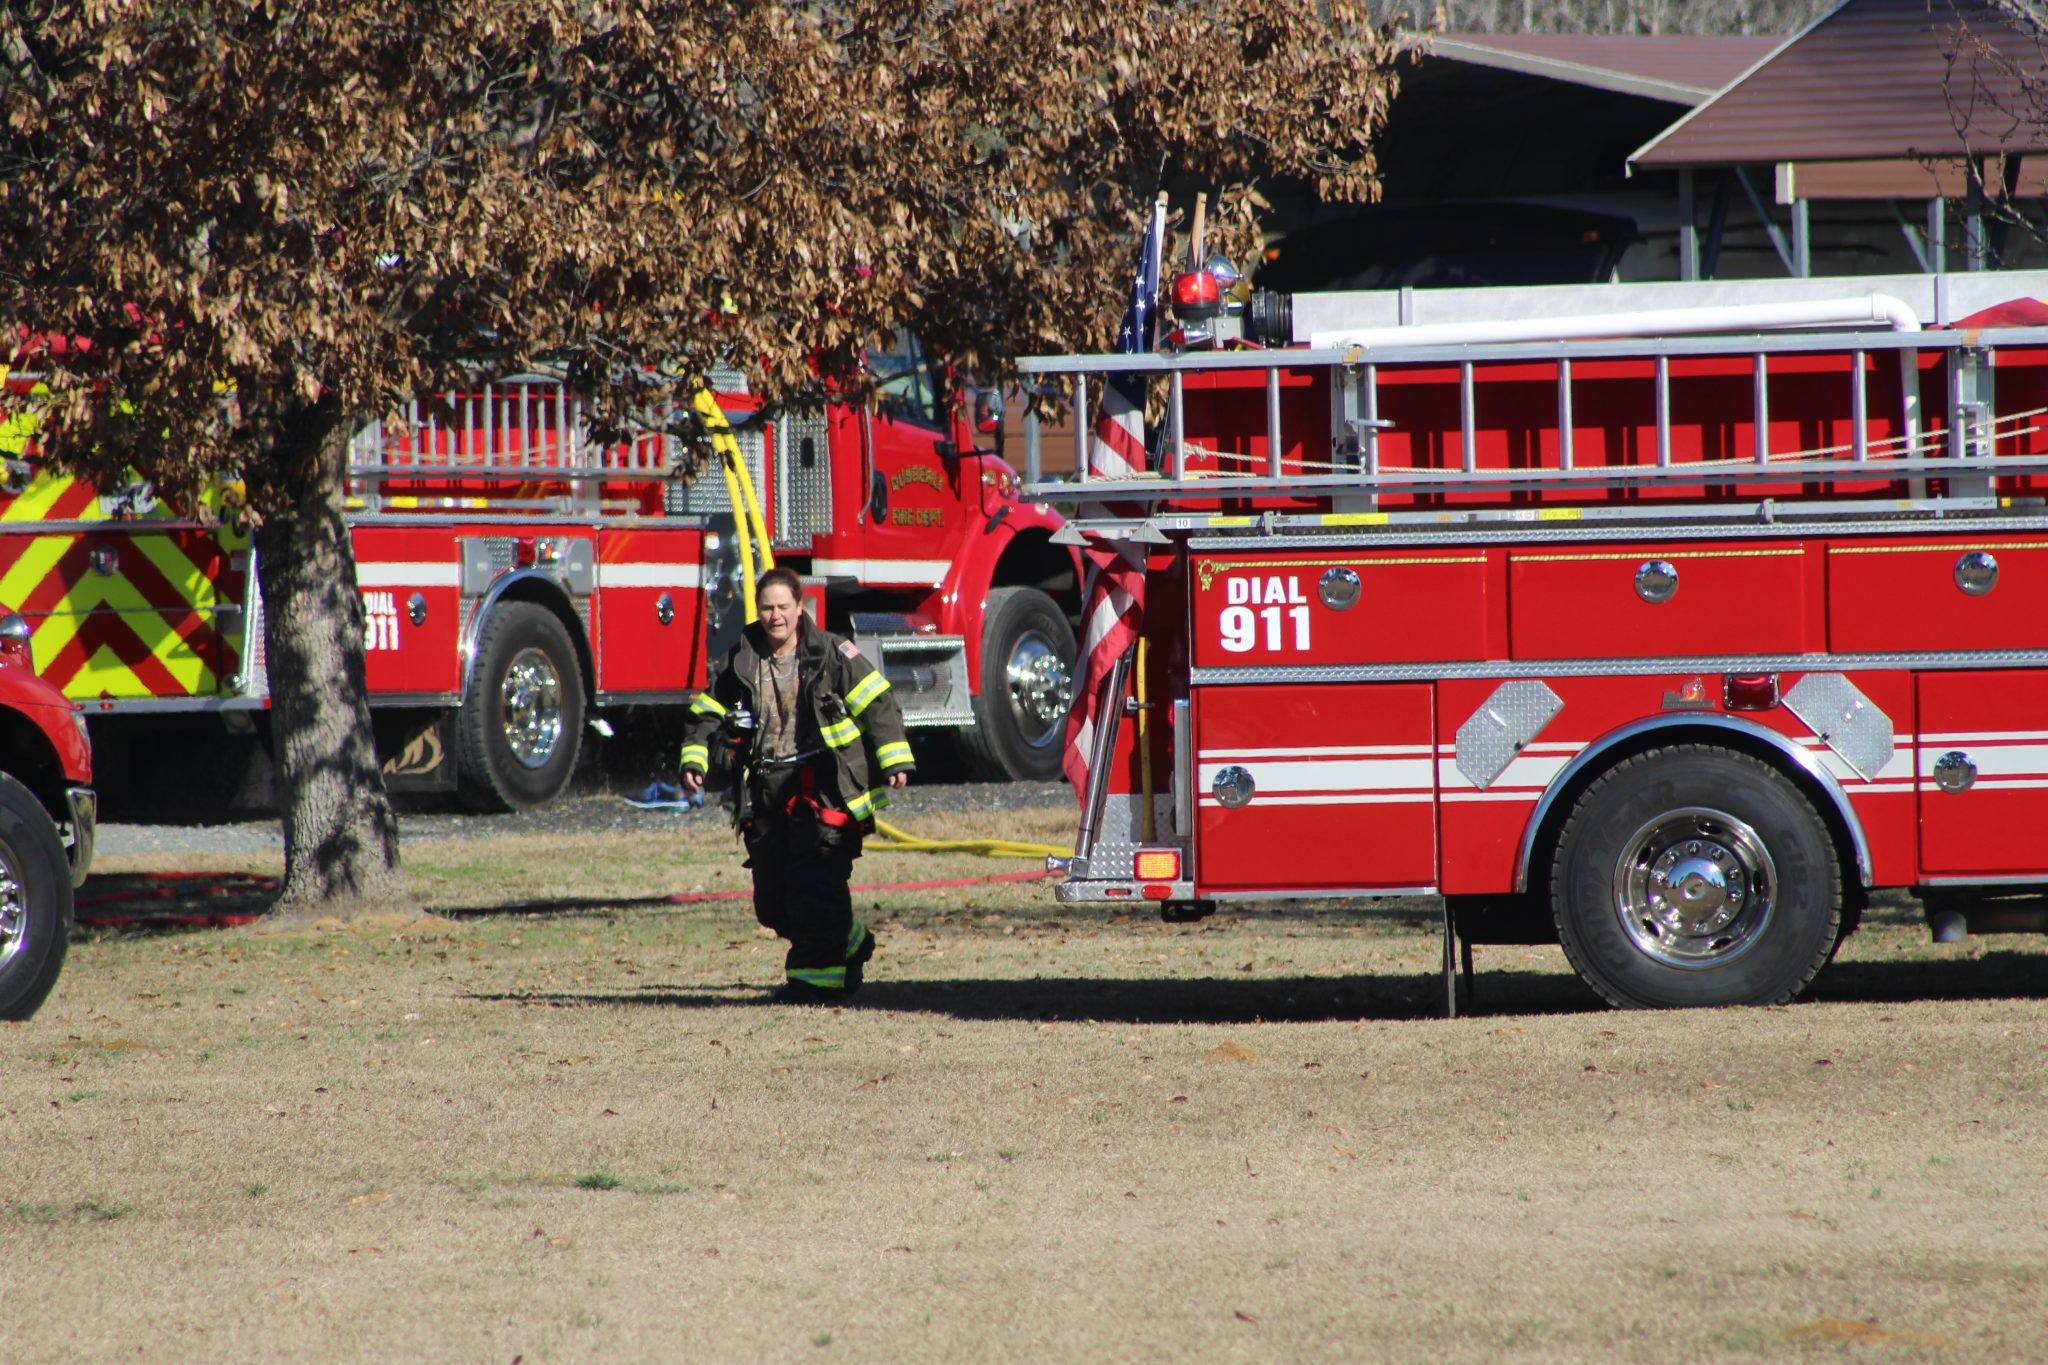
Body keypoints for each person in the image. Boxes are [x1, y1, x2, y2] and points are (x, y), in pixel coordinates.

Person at [679, 567, 914, 1002]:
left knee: (814, 884)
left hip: (821, 785)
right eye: (766, 607)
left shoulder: (830, 652)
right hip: (767, 788)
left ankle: (813, 985)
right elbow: (706, 711)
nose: (775, 616)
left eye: (783, 607)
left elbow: (877, 701)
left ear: (799, 607)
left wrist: (894, 758)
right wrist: (695, 758)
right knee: (772, 902)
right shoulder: (742, 657)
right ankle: (849, 939)